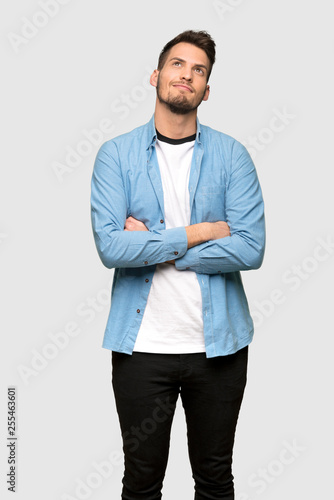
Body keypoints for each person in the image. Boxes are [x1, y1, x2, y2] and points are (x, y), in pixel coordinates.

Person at [91, 30, 265, 500]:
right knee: (141, 483)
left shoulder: (233, 156)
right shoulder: (115, 155)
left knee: (214, 480)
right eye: (177, 64)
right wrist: (203, 231)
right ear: (156, 75)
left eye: (199, 70)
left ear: (206, 90)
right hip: (141, 349)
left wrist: (151, 242)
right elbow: (111, 248)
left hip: (220, 348)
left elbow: (251, 249)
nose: (186, 75)